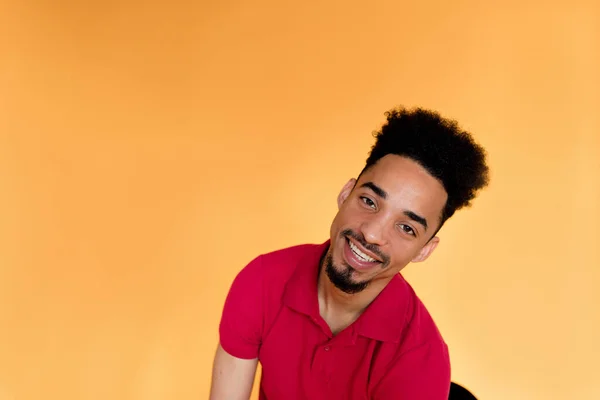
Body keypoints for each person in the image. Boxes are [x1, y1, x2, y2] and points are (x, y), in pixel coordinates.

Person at [209, 106, 490, 400]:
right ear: (346, 194)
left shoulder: (421, 357)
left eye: (406, 228)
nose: (371, 234)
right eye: (369, 201)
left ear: (425, 250)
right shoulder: (263, 281)